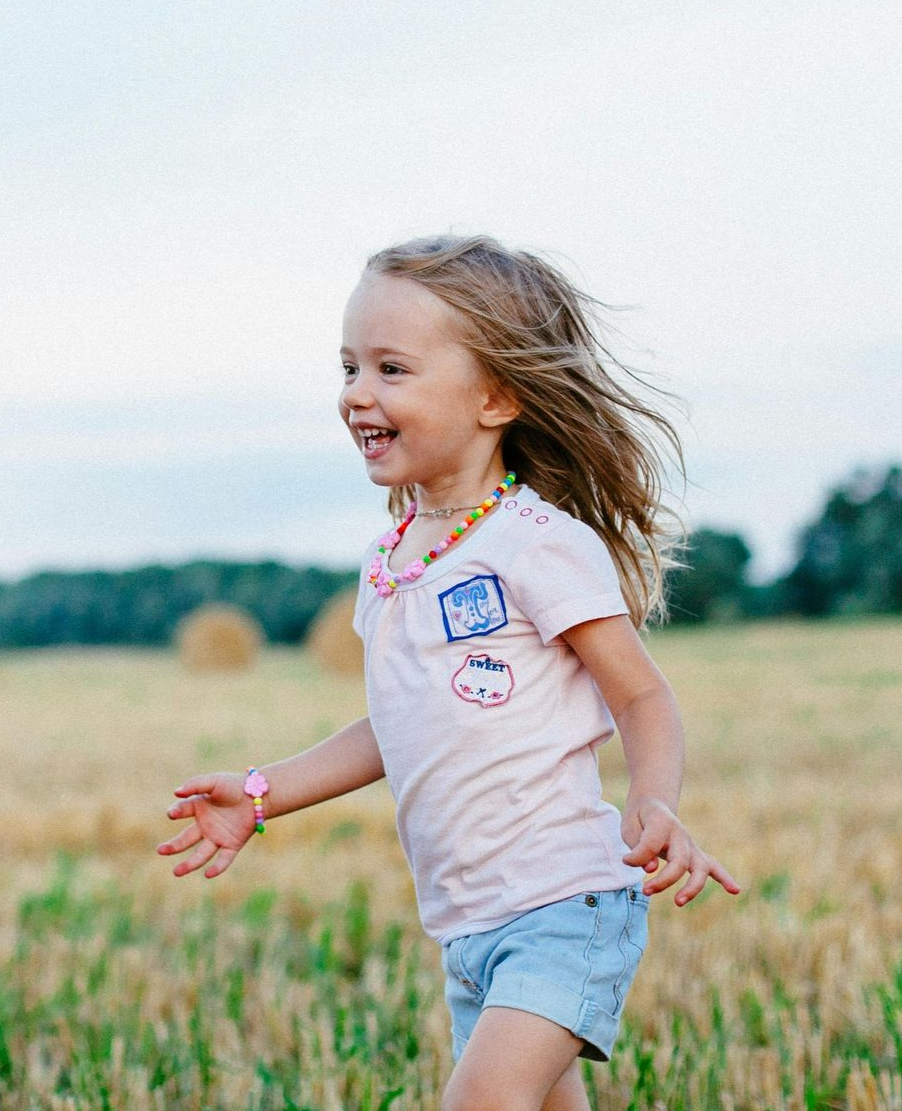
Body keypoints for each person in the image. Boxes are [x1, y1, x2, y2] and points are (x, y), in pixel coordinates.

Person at [157, 235, 740, 1111]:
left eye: (393, 369)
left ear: (496, 396)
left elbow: (640, 692)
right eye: (349, 366)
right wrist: (263, 791)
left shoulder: (539, 545)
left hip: (563, 905)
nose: (357, 393)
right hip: (467, 927)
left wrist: (654, 800)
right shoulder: (391, 560)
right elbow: (395, 723)